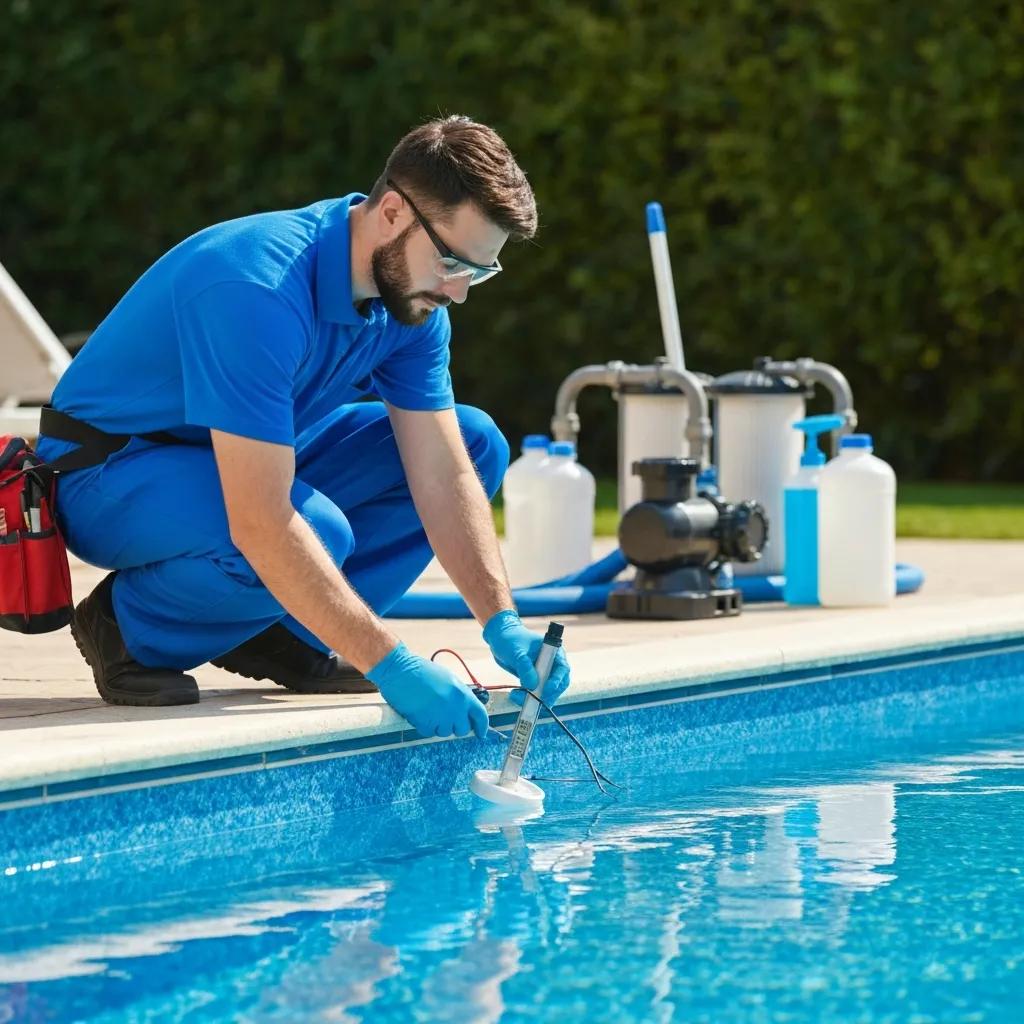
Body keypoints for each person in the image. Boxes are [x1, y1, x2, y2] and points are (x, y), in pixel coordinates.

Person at [35, 115, 570, 738]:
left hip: (231, 453)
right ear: (393, 211)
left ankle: (282, 637)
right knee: (311, 527)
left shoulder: (412, 306)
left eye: (478, 272)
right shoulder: (257, 286)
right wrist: (390, 662)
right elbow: (262, 519)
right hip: (106, 473)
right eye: (452, 260)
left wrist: (500, 621)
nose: (459, 292)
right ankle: (128, 627)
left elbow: (444, 472)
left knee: (476, 444)